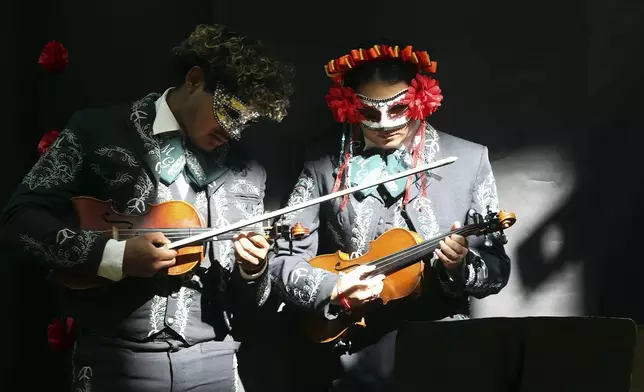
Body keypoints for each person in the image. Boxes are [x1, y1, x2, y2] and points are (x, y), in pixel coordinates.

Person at [0, 24, 294, 392]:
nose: (234, 133)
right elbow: (17, 222)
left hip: (215, 363)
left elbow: (251, 301)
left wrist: (255, 270)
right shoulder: (95, 130)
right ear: (194, 79)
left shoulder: (249, 172)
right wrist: (113, 256)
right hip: (114, 360)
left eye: (247, 124)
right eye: (230, 113)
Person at [267, 43, 511, 391]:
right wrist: (331, 288)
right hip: (351, 355)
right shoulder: (322, 163)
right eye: (370, 112)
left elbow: (497, 270)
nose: (384, 125)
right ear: (349, 106)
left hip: (443, 353)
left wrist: (462, 266)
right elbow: (283, 260)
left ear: (421, 99)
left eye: (398, 109)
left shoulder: (469, 159)